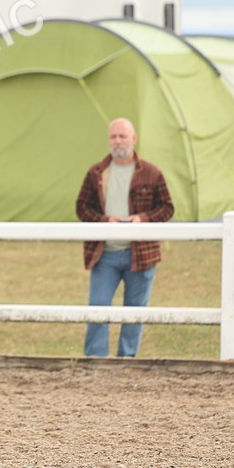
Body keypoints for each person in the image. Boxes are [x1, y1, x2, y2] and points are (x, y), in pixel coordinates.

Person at [76, 117, 174, 357]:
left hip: (141, 255)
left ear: (134, 139)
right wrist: (104, 221)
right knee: (98, 308)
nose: (118, 141)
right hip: (104, 254)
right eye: (113, 136)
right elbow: (82, 208)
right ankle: (95, 360)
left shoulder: (152, 173)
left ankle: (127, 361)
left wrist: (142, 218)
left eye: (122, 136)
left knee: (135, 311)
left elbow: (167, 208)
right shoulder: (96, 173)